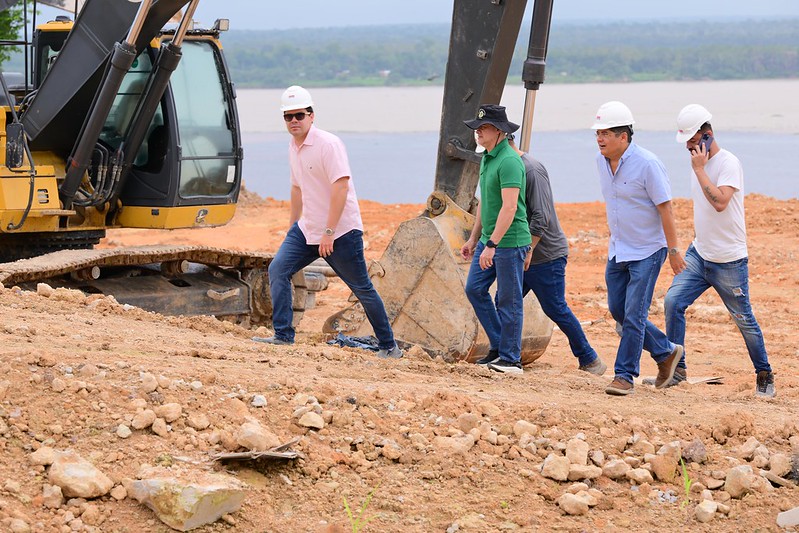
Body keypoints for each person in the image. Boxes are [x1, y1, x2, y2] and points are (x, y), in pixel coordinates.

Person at [253, 85, 402, 359]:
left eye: (299, 115)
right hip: (307, 229)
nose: (294, 121)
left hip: (341, 232)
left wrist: (329, 232)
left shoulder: (328, 145)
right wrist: (292, 227)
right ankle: (283, 335)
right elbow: (297, 189)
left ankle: (388, 346)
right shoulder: (293, 147)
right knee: (278, 269)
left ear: (311, 115)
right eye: (288, 116)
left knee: (361, 288)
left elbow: (341, 188)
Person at [664, 104, 775, 398]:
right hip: (700, 254)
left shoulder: (728, 163)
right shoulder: (696, 163)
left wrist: (700, 171)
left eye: (692, 140)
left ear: (707, 135)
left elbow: (720, 202)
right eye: (686, 141)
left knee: (744, 320)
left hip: (729, 261)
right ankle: (677, 370)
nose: (688, 146)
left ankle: (764, 373)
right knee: (673, 302)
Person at [591, 101, 686, 396]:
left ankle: (624, 375)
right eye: (598, 133)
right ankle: (666, 353)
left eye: (606, 133)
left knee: (634, 314)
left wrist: (673, 250)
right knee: (618, 310)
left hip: (647, 250)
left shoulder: (648, 163)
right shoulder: (600, 162)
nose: (600, 139)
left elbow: (666, 209)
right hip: (618, 249)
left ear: (624, 136)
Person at [505, 134, 607, 376]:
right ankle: (505, 354)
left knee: (555, 308)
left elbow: (541, 216)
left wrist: (527, 250)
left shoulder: (531, 170)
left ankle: (590, 358)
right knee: (506, 301)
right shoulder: (506, 166)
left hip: (545, 255)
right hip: (523, 253)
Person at [460, 105, 532, 375]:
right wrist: (474, 238)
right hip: (489, 239)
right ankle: (500, 346)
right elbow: (486, 204)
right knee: (475, 289)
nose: (478, 131)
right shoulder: (488, 158)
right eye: (477, 127)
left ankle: (511, 359)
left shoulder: (510, 161)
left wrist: (492, 245)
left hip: (510, 241)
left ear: (500, 131)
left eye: (484, 127)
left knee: (509, 300)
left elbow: (510, 208)